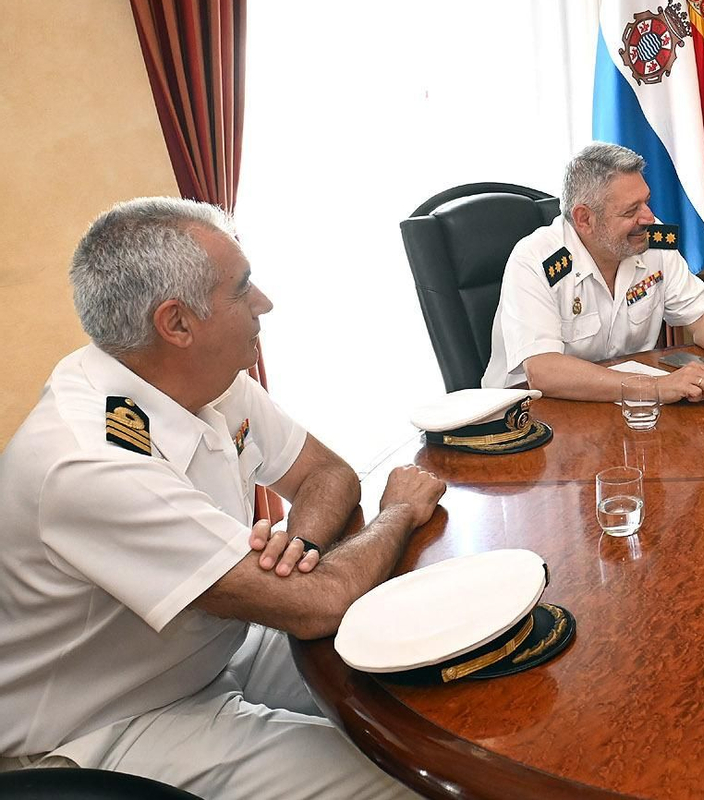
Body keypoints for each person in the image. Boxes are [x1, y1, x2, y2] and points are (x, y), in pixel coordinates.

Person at [0, 197, 444, 799]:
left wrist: (301, 546)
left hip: (216, 641)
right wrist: (397, 511)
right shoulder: (90, 462)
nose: (264, 303)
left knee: (435, 676)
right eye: (242, 289)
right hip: (109, 722)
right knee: (414, 784)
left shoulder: (204, 379)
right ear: (177, 324)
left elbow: (326, 474)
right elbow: (318, 605)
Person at [482, 142, 704, 403]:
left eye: (646, 201)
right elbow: (543, 371)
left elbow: (701, 315)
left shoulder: (650, 240)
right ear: (584, 219)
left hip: (622, 407)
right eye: (630, 211)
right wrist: (656, 388)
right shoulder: (535, 259)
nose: (648, 217)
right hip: (529, 418)